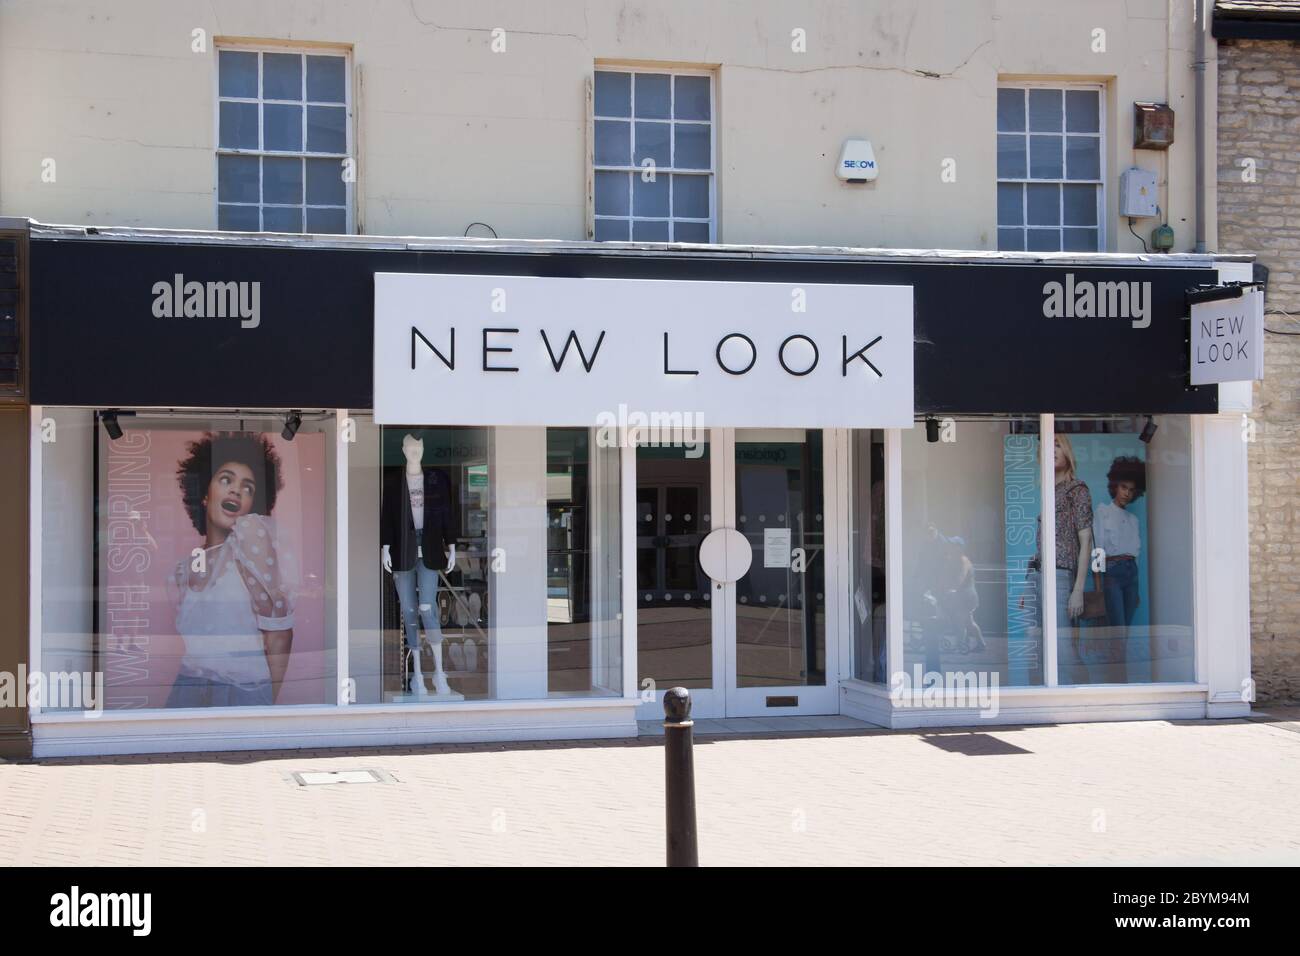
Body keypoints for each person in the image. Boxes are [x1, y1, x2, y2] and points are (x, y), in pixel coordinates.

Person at [168, 432, 294, 707]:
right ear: (204, 494)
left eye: (247, 487)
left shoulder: (252, 542)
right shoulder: (182, 569)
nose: (236, 490)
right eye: (226, 480)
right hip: (186, 689)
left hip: (241, 691)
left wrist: (264, 701)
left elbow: (280, 634)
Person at [1028, 433, 1094, 683]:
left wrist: (1078, 589)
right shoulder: (1050, 491)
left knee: (1063, 646)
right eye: (1048, 446)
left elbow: (1085, 540)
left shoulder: (1076, 490)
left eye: (1058, 445)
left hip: (1060, 574)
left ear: (1067, 453)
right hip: (1039, 574)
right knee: (1039, 644)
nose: (1053, 450)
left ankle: (1081, 699)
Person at [1091, 455, 1145, 682]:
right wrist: (1098, 585)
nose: (1126, 493)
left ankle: (1118, 679)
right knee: (1117, 631)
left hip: (1131, 573)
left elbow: (1136, 553)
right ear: (1115, 485)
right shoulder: (1103, 512)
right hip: (1112, 572)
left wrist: (1137, 585)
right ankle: (1117, 680)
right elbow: (1098, 548)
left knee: (1125, 632)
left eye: (1131, 490)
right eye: (1123, 487)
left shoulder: (1133, 519)